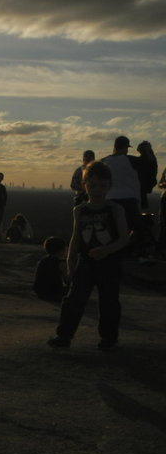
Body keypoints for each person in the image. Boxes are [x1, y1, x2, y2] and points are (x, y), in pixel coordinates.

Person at [47, 161, 130, 350]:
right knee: (74, 299)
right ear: (85, 186)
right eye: (92, 185)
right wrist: (69, 262)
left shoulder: (115, 209)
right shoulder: (80, 210)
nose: (97, 190)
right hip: (86, 262)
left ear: (110, 185)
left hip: (110, 263)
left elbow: (124, 238)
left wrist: (106, 250)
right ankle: (64, 335)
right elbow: (76, 237)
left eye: (102, 185)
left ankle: (108, 337)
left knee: (108, 301)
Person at [101, 135, 141, 235]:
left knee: (112, 230)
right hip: (129, 199)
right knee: (133, 229)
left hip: (109, 199)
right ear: (125, 147)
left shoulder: (104, 161)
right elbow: (149, 165)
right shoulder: (131, 160)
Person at [34, 237, 67, 302]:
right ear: (60, 250)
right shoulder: (60, 263)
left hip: (40, 292)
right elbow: (67, 280)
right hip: (53, 293)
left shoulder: (43, 261)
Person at [135, 141, 158, 210]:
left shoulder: (147, 158)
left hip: (144, 182)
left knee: (142, 200)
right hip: (146, 182)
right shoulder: (150, 157)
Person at [158, 166, 166, 257]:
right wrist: (163, 184)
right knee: (163, 223)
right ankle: (161, 249)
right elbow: (159, 184)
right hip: (165, 198)